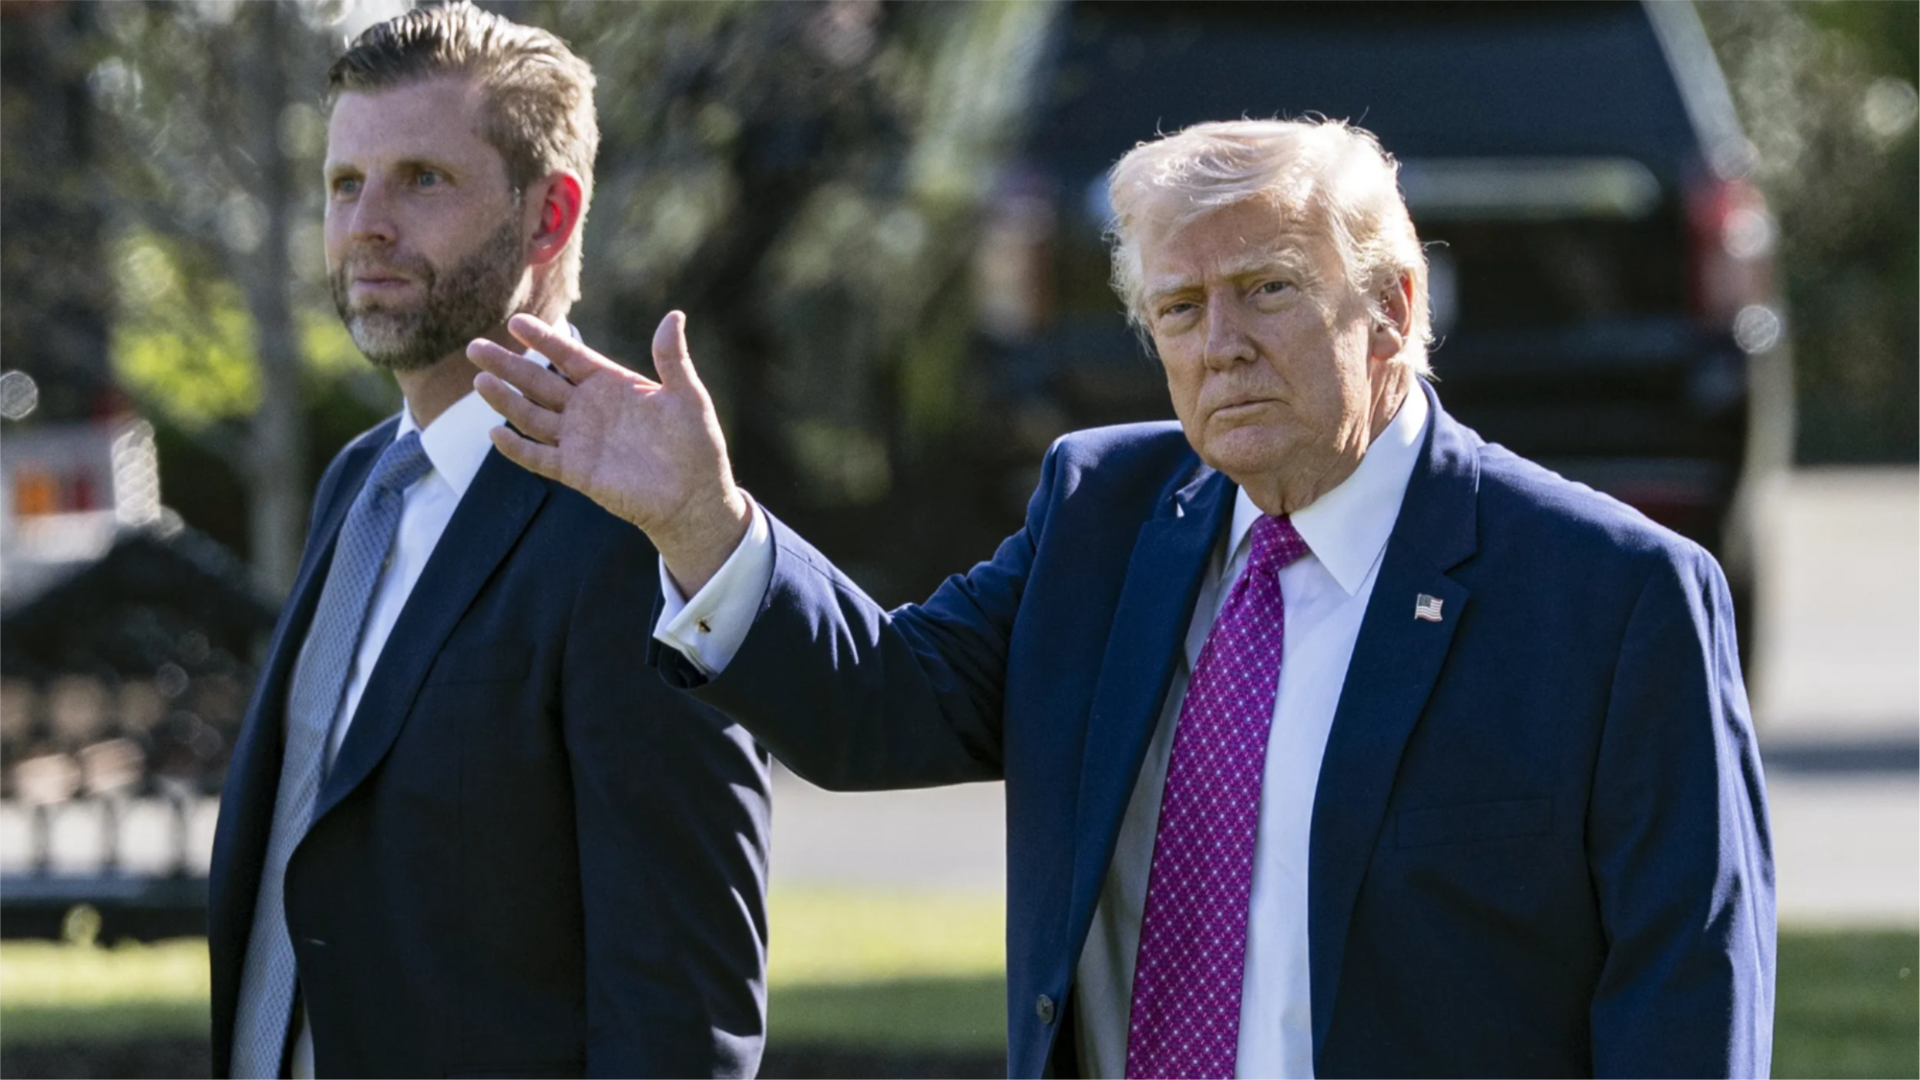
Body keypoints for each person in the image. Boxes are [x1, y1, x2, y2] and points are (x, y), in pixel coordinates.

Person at [470, 118, 1774, 1079]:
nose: (1222, 344)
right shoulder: (1103, 515)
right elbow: (878, 709)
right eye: (1180, 309)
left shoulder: (1613, 598)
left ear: (1392, 306)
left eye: (1267, 290)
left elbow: (1689, 996)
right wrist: (702, 523)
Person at [206, 7, 772, 1079]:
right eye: (344, 183)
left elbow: (683, 1007)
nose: (366, 224)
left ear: (548, 216)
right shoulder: (358, 487)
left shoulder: (640, 524)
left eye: (422, 179)